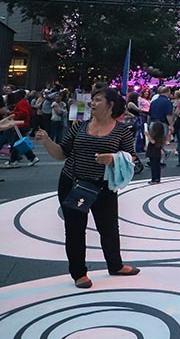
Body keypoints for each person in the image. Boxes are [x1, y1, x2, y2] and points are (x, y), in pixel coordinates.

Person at [32, 87, 140, 289]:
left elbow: (132, 158)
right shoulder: (79, 126)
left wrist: (113, 159)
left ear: (111, 105)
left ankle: (115, 265)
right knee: (74, 229)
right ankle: (79, 273)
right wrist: (47, 141)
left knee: (109, 228)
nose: (92, 103)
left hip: (104, 187)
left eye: (98, 100)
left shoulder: (121, 130)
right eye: (92, 100)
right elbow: (62, 153)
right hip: (73, 183)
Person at [1, 89, 39, 168]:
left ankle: (14, 160)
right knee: (20, 143)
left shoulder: (21, 103)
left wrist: (12, 113)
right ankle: (31, 157)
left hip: (22, 125)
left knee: (16, 143)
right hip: (22, 124)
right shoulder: (23, 102)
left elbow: (24, 113)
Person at [145, 117, 165, 184]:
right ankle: (158, 178)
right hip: (158, 151)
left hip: (153, 151)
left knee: (153, 166)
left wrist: (147, 135)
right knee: (157, 165)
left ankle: (154, 179)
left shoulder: (154, 135)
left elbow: (153, 142)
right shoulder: (161, 135)